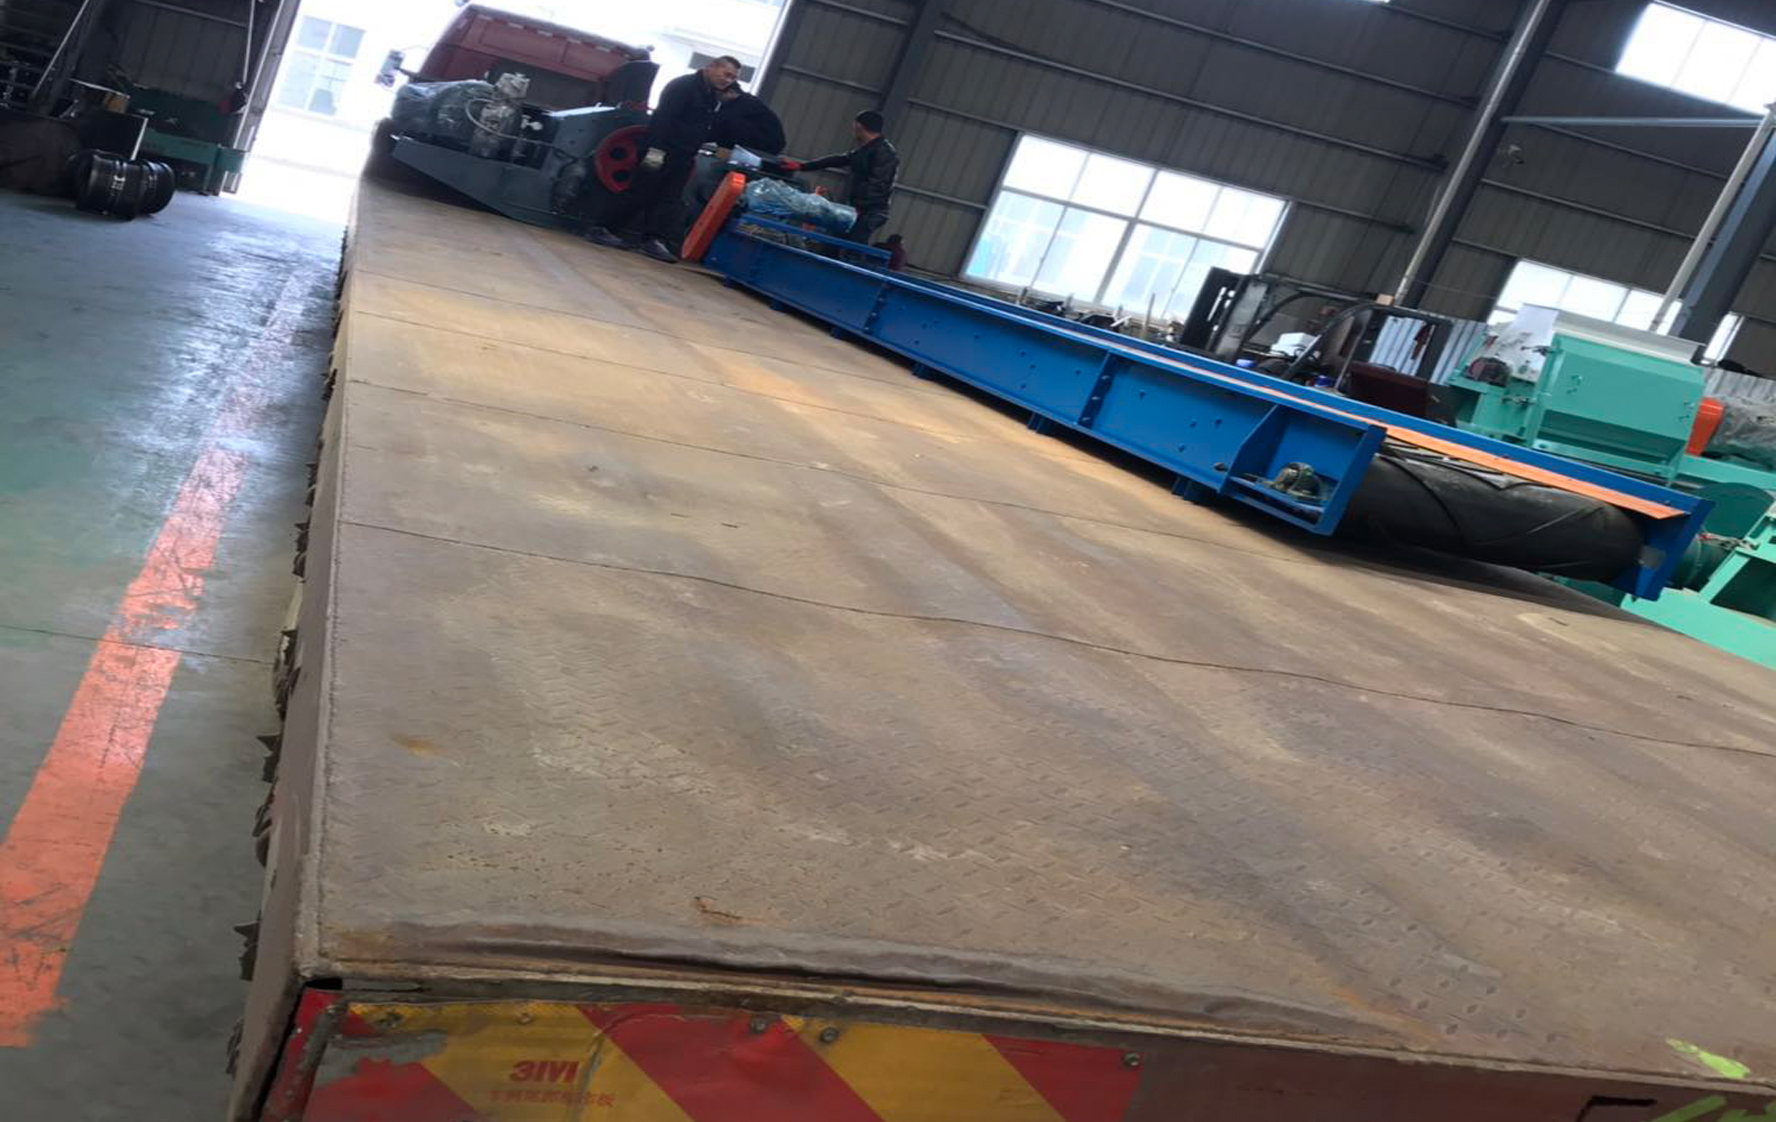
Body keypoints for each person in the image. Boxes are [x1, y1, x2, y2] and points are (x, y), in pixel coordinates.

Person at [588, 55, 740, 263]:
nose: (728, 80)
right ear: (711, 67)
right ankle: (602, 228)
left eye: (732, 78)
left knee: (669, 198)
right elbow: (662, 118)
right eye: (726, 74)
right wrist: (655, 151)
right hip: (659, 151)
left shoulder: (711, 95)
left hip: (683, 155)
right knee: (640, 191)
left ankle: (653, 240)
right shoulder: (683, 86)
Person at [780, 109, 899, 243]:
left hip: (870, 212)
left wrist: (861, 207)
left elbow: (878, 184)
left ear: (858, 126)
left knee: (851, 245)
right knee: (835, 242)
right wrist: (802, 166)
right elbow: (839, 160)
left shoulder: (884, 153)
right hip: (862, 209)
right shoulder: (867, 150)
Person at [711, 84, 785, 157]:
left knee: (726, 122)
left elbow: (719, 122)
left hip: (768, 145)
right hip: (764, 141)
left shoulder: (746, 103)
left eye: (719, 95)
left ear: (731, 92)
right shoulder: (737, 103)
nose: (717, 99)